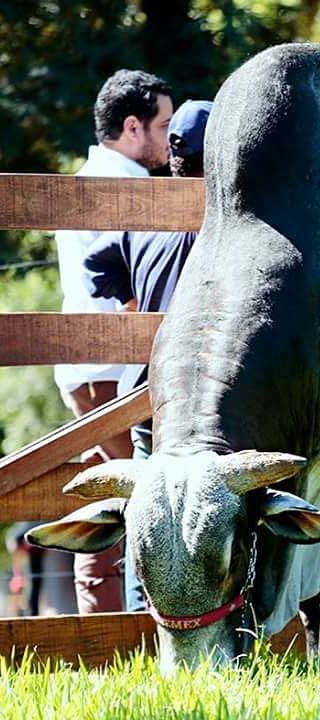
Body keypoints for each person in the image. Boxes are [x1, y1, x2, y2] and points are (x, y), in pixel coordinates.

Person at [82, 99, 212, 610]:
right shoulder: (231, 218)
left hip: (145, 397)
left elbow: (98, 268)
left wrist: (137, 301)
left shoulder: (144, 215)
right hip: (203, 401)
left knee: (148, 516)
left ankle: (142, 620)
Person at [54, 69, 174, 614]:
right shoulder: (124, 191)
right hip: (113, 367)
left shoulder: (90, 177)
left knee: (108, 492)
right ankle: (122, 632)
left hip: (89, 366)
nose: (170, 141)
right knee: (142, 498)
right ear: (133, 127)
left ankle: (100, 637)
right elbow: (115, 287)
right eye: (164, 126)